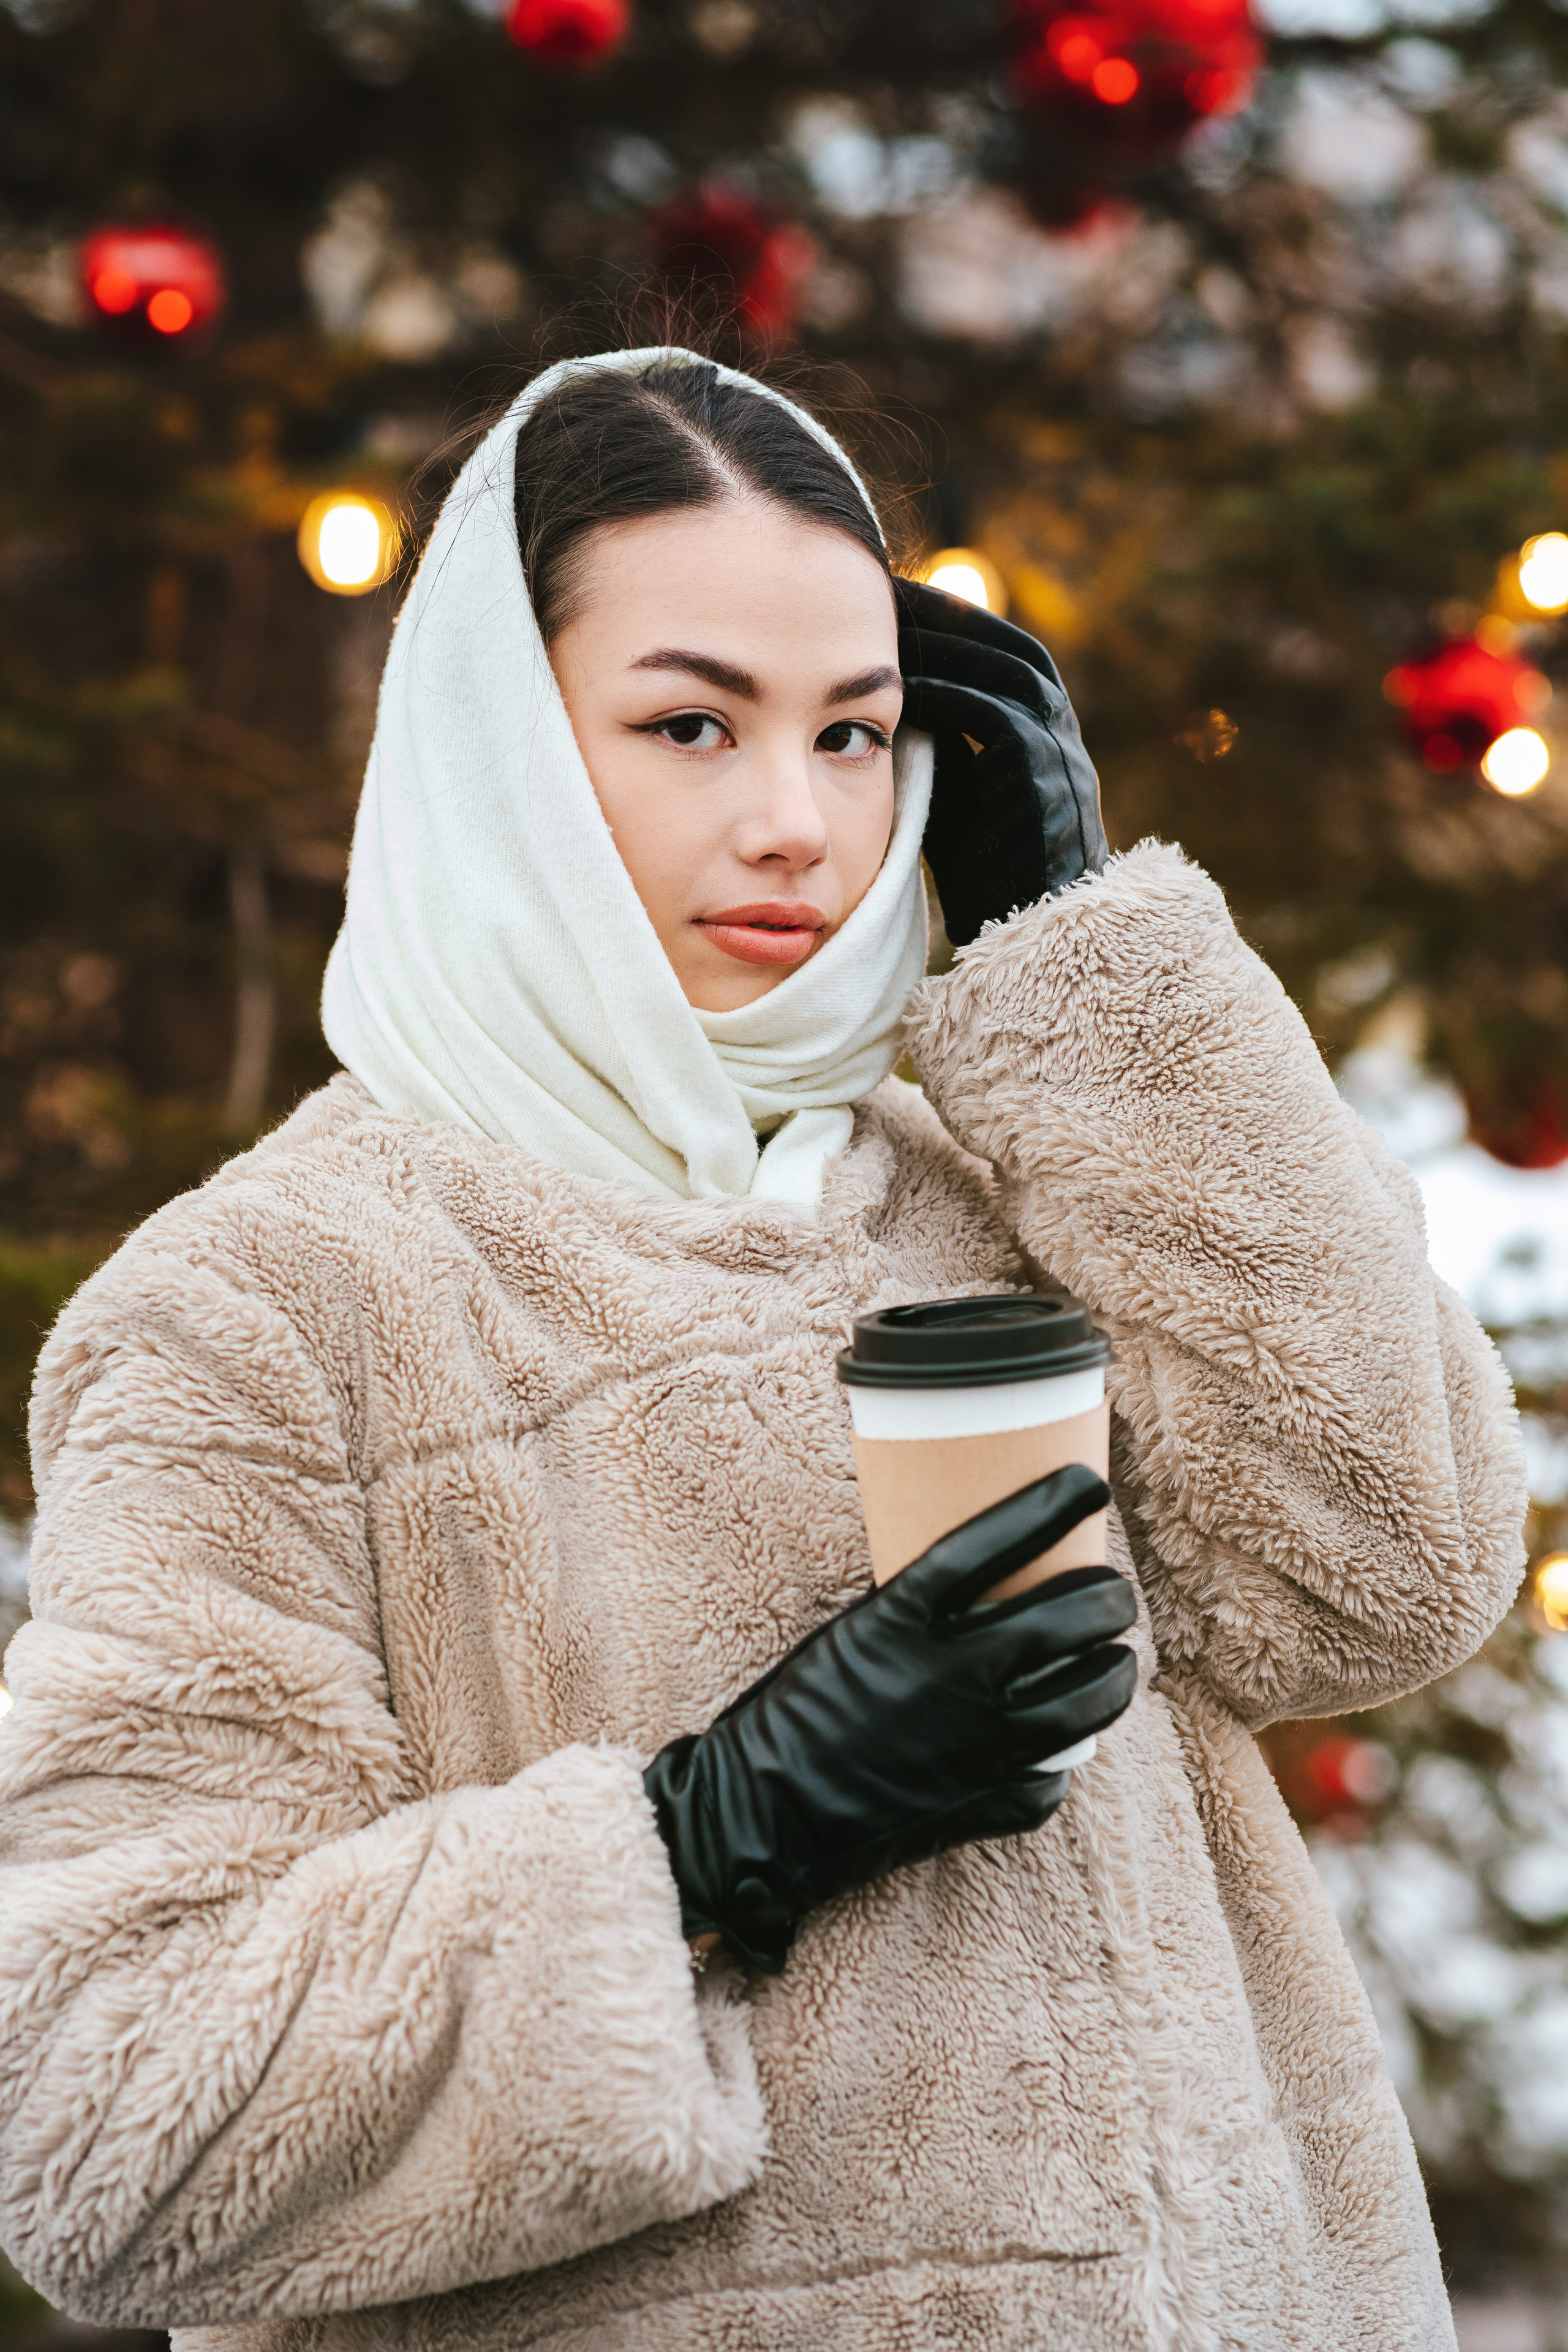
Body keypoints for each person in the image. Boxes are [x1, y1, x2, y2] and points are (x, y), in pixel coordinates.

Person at [0, 344, 1526, 2352]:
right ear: (502, 751)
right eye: (693, 726)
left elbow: (1390, 1581)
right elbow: (109, 2127)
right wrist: (718, 1834)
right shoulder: (266, 1309)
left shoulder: (1028, 1171)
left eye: (857, 733)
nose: (801, 822)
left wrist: (1088, 962)